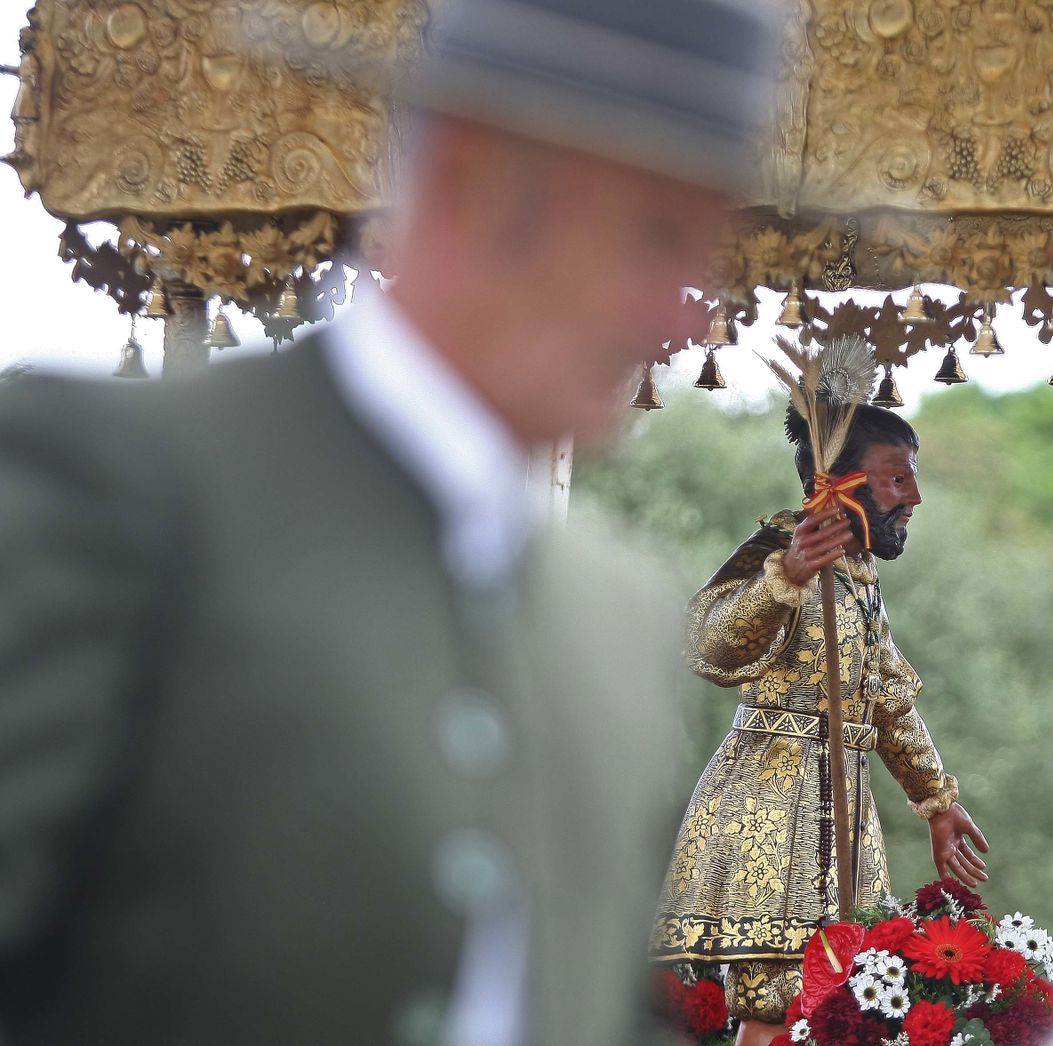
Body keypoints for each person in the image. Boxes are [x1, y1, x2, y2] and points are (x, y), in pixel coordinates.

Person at [0, 1, 779, 1044]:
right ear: (470, 180)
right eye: (657, 236)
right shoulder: (124, 476)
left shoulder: (624, 614)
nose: (683, 317)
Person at [650, 403, 990, 1046]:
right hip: (772, 807)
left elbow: (886, 699)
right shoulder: (778, 551)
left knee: (839, 997)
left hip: (845, 811)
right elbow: (707, 646)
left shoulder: (861, 576)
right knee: (778, 998)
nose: (914, 498)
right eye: (897, 479)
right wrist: (786, 578)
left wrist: (936, 800)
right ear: (839, 482)